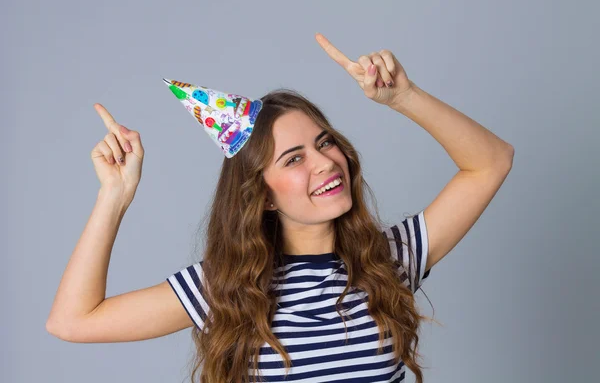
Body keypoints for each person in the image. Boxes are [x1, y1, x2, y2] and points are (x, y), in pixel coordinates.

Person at [46, 33, 514, 383]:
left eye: (324, 142)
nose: (326, 162)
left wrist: (403, 97)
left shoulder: (389, 259)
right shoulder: (227, 287)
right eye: (294, 159)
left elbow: (491, 162)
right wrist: (115, 195)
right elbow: (72, 321)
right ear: (263, 195)